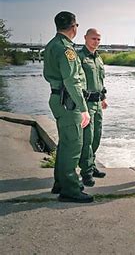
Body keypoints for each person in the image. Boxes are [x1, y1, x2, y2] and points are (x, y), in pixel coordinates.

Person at [43, 11, 93, 203]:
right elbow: (72, 81)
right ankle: (70, 190)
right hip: (68, 101)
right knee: (73, 145)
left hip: (58, 99)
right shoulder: (66, 49)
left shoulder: (51, 45)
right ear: (74, 27)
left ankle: (60, 182)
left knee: (65, 143)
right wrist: (83, 108)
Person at [78, 28, 108, 186]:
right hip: (86, 104)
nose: (96, 42)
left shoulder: (98, 58)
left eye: (98, 39)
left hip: (97, 103)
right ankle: (86, 172)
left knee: (97, 136)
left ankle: (92, 164)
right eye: (93, 38)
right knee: (87, 138)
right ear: (85, 38)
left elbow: (100, 81)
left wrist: (103, 98)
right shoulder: (79, 57)